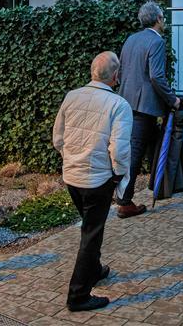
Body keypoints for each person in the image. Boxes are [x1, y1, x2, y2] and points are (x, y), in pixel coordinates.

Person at [52, 52, 132, 312]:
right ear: (116, 76)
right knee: (91, 235)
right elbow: (119, 150)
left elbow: (58, 138)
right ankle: (78, 295)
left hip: (72, 176)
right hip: (98, 179)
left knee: (89, 227)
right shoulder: (118, 105)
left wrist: (70, 157)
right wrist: (118, 175)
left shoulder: (71, 96)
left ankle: (94, 270)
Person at [116, 1, 181, 218]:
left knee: (146, 150)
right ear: (158, 19)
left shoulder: (131, 39)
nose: (164, 21)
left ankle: (161, 189)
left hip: (127, 103)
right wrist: (173, 100)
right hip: (145, 108)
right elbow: (156, 76)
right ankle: (124, 201)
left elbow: (122, 71)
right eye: (163, 17)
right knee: (135, 154)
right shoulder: (156, 41)